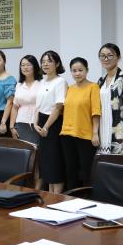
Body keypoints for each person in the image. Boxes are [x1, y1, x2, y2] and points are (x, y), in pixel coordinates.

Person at [60, 57, 101, 190]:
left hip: (85, 135)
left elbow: (96, 111)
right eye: (74, 70)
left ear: (87, 70)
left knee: (86, 171)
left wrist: (95, 133)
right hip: (67, 134)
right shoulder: (69, 89)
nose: (77, 73)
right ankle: (71, 197)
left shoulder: (93, 87)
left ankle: (86, 198)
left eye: (80, 70)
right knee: (70, 170)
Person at [34, 50, 67, 193]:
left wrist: (46, 127)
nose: (45, 64)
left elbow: (58, 107)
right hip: (41, 122)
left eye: (49, 61)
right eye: (43, 61)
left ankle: (56, 196)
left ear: (57, 64)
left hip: (53, 123)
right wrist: (35, 123)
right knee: (45, 160)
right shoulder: (42, 81)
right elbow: (38, 105)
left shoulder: (60, 82)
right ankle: (50, 194)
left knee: (55, 160)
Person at [96, 43, 123, 155]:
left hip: (119, 129)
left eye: (110, 55)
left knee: (118, 161)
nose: (106, 59)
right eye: (102, 56)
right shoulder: (101, 80)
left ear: (118, 57)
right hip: (103, 126)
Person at [10, 55, 42, 145]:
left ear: (35, 66)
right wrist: (12, 126)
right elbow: (15, 107)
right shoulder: (19, 85)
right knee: (22, 149)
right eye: (23, 65)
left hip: (37, 123)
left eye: (28, 65)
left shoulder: (42, 84)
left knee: (36, 150)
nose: (25, 67)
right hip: (21, 123)